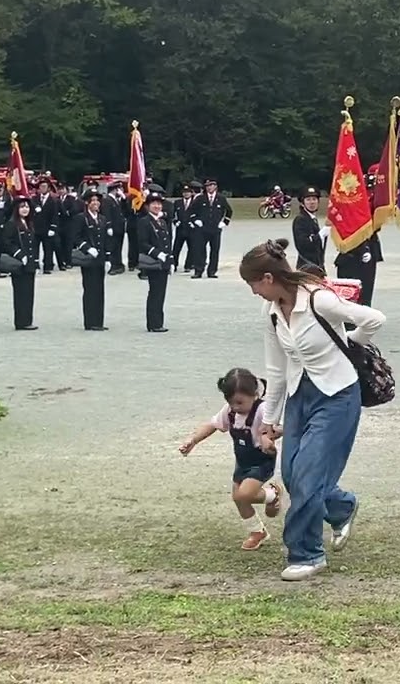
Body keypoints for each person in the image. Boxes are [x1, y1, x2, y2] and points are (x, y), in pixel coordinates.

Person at [239, 237, 385, 581]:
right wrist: (269, 421)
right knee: (292, 474)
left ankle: (306, 553)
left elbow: (374, 319)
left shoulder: (320, 300)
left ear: (269, 279)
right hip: (299, 395)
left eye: (253, 283)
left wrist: (351, 345)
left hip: (337, 394)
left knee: (307, 473)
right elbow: (275, 370)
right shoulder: (271, 312)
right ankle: (341, 506)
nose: (253, 291)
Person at [179, 367, 286, 551]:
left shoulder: (263, 410)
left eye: (239, 402)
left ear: (254, 394)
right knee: (238, 498)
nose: (235, 407)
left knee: (244, 494)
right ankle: (256, 531)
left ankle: (273, 494)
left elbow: (280, 428)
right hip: (242, 461)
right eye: (231, 402)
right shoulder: (230, 412)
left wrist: (269, 438)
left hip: (262, 460)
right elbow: (213, 425)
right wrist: (193, 440)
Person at [73, 189, 110, 331]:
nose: (95, 203)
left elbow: (106, 240)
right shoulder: (81, 218)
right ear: (87, 202)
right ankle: (90, 321)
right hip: (88, 259)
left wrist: (107, 257)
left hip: (100, 259)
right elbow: (76, 237)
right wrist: (87, 248)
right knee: (90, 290)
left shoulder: (102, 219)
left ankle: (99, 321)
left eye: (97, 201)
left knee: (100, 290)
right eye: (92, 200)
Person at [137, 191, 173, 332]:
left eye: (159, 204)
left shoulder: (162, 221)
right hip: (153, 261)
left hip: (163, 262)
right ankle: (153, 323)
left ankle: (159, 322)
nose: (157, 206)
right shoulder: (144, 222)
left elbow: (167, 242)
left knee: (161, 292)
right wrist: (158, 254)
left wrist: (170, 260)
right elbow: (143, 243)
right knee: (155, 292)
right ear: (148, 206)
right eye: (154, 204)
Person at [2, 196, 39, 331]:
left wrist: (35, 261)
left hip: (29, 263)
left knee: (29, 292)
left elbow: (33, 244)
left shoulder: (29, 223)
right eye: (22, 207)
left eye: (27, 207)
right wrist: (19, 255)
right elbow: (7, 243)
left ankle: (27, 320)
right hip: (18, 263)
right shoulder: (12, 224)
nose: (25, 209)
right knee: (20, 293)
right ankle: (21, 321)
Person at [334, 230, 382, 307]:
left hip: (367, 251)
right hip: (352, 256)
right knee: (351, 297)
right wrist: (364, 249)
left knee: (365, 296)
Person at [197, 177, 232, 278]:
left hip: (215, 229)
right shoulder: (201, 198)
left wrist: (225, 222)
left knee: (215, 250)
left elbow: (229, 211)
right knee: (200, 250)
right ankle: (199, 270)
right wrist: (196, 220)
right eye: (207, 186)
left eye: (211, 185)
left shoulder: (221, 198)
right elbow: (192, 211)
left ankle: (212, 271)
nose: (209, 188)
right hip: (203, 228)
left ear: (215, 187)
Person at [291, 187, 328, 273]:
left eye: (314, 199)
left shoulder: (312, 219)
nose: (312, 202)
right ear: (302, 203)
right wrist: (321, 234)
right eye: (308, 199)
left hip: (317, 266)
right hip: (306, 267)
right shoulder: (300, 220)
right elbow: (303, 245)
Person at [31, 180, 60, 275]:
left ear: (48, 188)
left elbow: (55, 215)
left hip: (47, 228)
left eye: (44, 186)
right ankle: (35, 265)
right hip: (36, 228)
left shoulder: (53, 200)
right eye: (41, 186)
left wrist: (53, 228)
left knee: (48, 248)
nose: (42, 188)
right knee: (34, 248)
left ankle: (47, 266)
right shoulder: (34, 199)